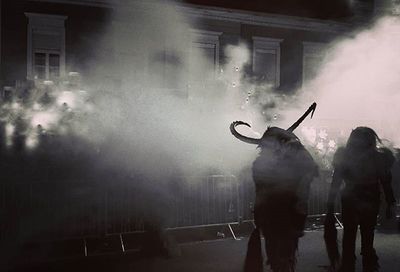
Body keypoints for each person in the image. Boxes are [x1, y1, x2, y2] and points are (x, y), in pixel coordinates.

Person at [231, 103, 318, 272]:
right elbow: (260, 190)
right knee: (277, 254)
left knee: (284, 254)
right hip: (273, 214)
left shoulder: (296, 160)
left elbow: (309, 172)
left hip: (288, 213)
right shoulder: (261, 164)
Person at [327, 127, 396, 272]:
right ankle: (367, 264)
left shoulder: (345, 156)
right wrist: (391, 203)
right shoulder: (379, 158)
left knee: (350, 235)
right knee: (367, 235)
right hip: (369, 197)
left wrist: (330, 205)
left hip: (351, 198)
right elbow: (385, 182)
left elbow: (336, 182)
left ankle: (349, 265)